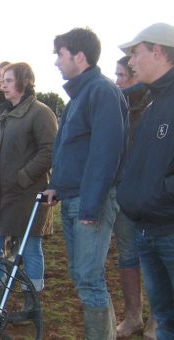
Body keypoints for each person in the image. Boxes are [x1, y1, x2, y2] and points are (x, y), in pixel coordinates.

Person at [42, 28, 127, 339]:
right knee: (82, 276)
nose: (56, 62)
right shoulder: (79, 96)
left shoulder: (101, 92)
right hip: (75, 198)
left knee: (89, 279)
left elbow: (105, 155)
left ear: (80, 56)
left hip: (92, 202)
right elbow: (74, 153)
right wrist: (57, 187)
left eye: (60, 55)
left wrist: (90, 207)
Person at [0, 62, 57, 305]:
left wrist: (23, 176)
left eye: (9, 80)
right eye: (2, 79)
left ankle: (31, 301)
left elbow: (49, 150)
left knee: (31, 245)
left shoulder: (40, 113)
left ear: (25, 82)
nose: (3, 84)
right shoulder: (4, 115)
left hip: (27, 195)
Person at [117, 22, 174, 339]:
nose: (131, 62)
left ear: (158, 50)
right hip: (147, 229)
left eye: (135, 53)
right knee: (165, 319)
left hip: (169, 227)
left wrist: (161, 196)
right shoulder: (152, 105)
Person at [112, 56, 155, 338]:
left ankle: (158, 319)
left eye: (121, 74)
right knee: (127, 256)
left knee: (156, 256)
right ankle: (133, 316)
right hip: (122, 195)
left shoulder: (156, 106)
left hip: (153, 198)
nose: (116, 80)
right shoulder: (117, 107)